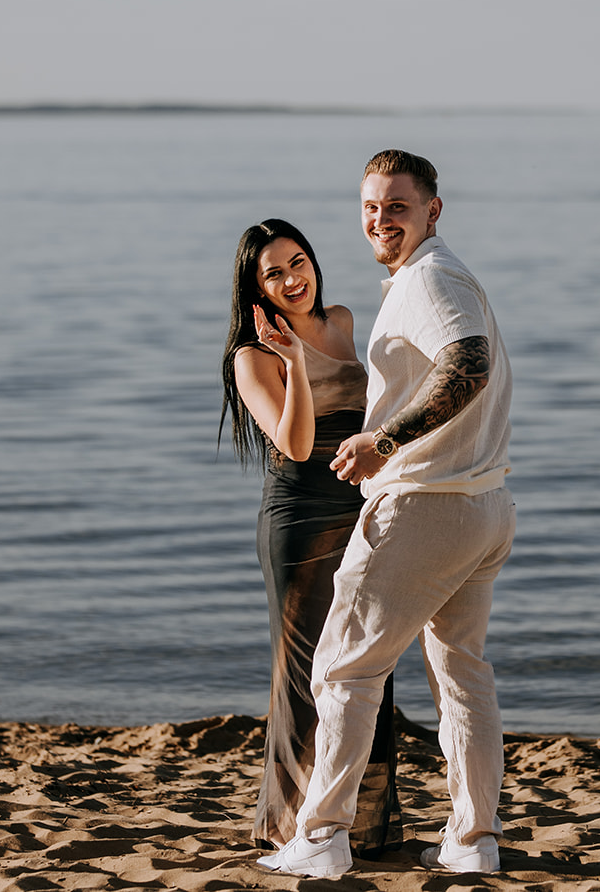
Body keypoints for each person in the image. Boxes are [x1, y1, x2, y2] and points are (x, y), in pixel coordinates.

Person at [259, 150, 516, 878]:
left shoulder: (431, 278)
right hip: (483, 504)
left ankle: (323, 834)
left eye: (397, 206)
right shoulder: (436, 275)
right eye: (370, 206)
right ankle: (473, 841)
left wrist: (383, 438)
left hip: (426, 505)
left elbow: (467, 362)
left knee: (343, 669)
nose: (380, 219)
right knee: (461, 674)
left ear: (432, 210)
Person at [218, 218, 401, 858]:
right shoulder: (252, 358)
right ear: (255, 289)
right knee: (305, 676)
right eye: (275, 272)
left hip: (362, 511)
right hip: (299, 522)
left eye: (299, 262)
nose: (294, 279)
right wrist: (293, 361)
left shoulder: (346, 320)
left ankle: (363, 824)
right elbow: (295, 445)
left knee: (367, 661)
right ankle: (295, 824)